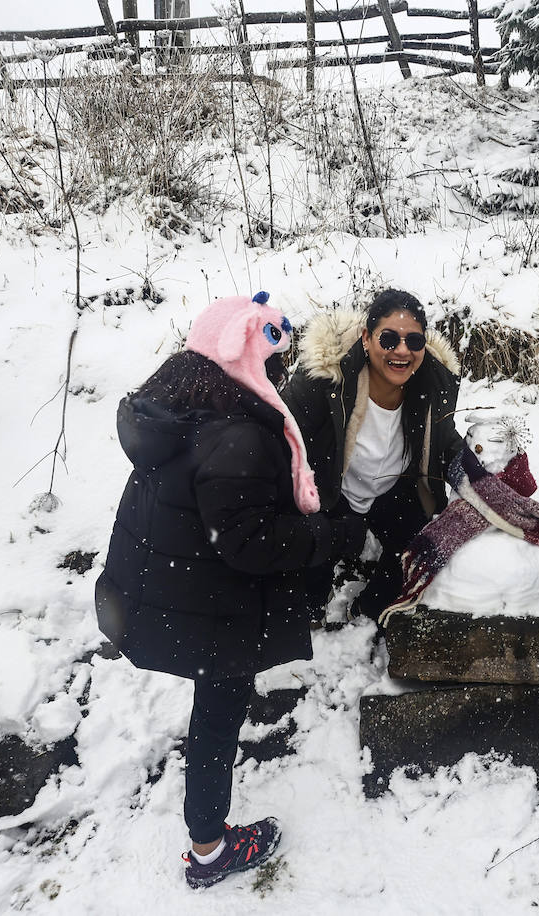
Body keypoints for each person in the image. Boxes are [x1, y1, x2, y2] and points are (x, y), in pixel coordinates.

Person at [95, 292, 366, 889]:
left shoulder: (178, 405)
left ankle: (206, 832)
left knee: (214, 711)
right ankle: (210, 850)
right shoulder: (238, 434)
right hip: (213, 609)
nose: (281, 374)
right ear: (245, 356)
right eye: (274, 362)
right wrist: (332, 535)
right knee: (217, 718)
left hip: (173, 590)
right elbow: (249, 542)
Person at [284, 289, 463, 623]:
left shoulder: (430, 384)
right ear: (367, 338)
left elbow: (445, 439)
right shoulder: (328, 378)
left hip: (390, 492)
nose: (402, 350)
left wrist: (476, 476)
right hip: (329, 493)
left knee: (420, 551)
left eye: (414, 341)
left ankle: (366, 613)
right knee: (309, 572)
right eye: (389, 338)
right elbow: (283, 436)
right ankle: (312, 609)